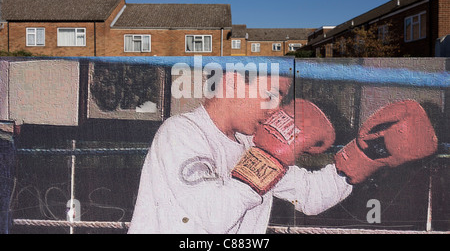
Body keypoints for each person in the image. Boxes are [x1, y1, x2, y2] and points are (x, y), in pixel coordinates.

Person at [128, 70, 353, 234]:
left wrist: (363, 155)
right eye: (271, 95)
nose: (275, 108)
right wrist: (268, 158)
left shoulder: (254, 143)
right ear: (233, 83)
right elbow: (214, 216)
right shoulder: (180, 132)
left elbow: (311, 195)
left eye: (280, 99)